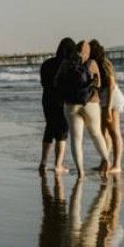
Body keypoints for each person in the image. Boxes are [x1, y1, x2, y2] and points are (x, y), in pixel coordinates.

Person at [56, 40, 111, 176]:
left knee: (76, 139)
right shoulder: (92, 63)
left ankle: (81, 172)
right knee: (96, 134)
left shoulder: (66, 63)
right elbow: (98, 84)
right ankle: (106, 160)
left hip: (70, 105)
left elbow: (56, 82)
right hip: (91, 103)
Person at [89, 39, 124, 173]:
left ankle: (117, 165)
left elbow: (110, 85)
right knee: (103, 132)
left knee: (114, 132)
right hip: (104, 98)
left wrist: (108, 109)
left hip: (112, 98)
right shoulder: (94, 64)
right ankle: (105, 162)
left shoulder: (103, 64)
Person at [39, 38, 73, 172]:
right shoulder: (68, 64)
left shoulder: (46, 63)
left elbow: (43, 82)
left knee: (49, 128)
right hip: (61, 100)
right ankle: (59, 165)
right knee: (62, 132)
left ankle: (43, 162)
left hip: (46, 98)